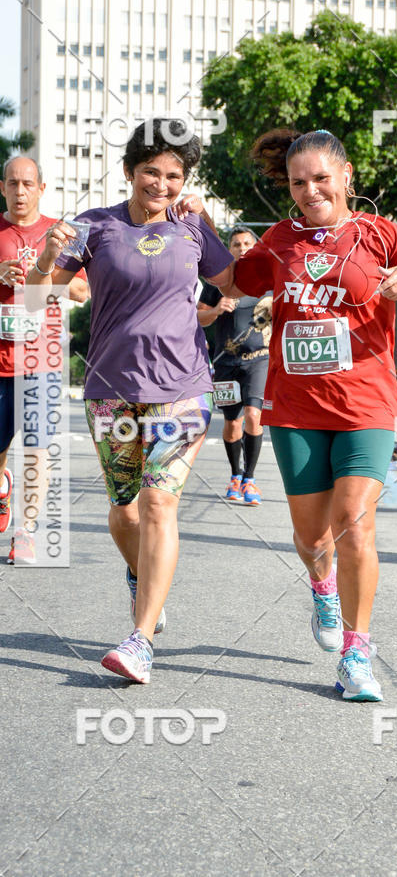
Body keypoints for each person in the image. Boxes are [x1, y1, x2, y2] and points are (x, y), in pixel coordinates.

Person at [215, 129, 397, 702]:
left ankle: (357, 651)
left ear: (346, 176)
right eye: (299, 182)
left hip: (366, 404)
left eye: (321, 178)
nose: (310, 190)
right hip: (297, 407)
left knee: (355, 520)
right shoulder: (278, 241)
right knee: (311, 534)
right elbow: (229, 282)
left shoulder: (382, 234)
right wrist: (192, 228)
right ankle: (321, 585)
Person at [26, 119, 233, 684]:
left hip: (183, 390)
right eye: (151, 172)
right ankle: (144, 581)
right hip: (111, 393)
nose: (162, 184)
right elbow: (35, 300)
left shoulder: (191, 228)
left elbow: (235, 283)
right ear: (129, 172)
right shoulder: (94, 227)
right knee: (124, 512)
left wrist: (209, 222)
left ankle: (140, 641)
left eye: (173, 175)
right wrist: (47, 257)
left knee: (160, 503)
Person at [0, 157, 88, 564]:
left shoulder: (60, 234)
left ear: (41, 188)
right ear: (3, 187)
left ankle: (26, 532)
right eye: (13, 183)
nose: (20, 192)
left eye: (28, 184)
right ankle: (4, 488)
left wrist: (41, 275)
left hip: (42, 363)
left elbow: (82, 292)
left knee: (37, 449)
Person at [197, 226, 272, 505]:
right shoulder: (219, 281)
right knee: (232, 423)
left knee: (254, 414)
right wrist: (216, 311)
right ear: (229, 250)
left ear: (256, 247)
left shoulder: (268, 278)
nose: (242, 248)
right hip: (225, 363)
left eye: (247, 243)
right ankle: (235, 475)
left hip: (259, 360)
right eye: (236, 244)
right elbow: (198, 317)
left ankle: (250, 479)